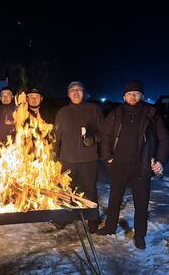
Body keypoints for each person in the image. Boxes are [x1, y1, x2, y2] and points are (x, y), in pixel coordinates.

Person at [97, 79, 169, 250]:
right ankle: (110, 227)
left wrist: (160, 160)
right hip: (119, 164)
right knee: (114, 198)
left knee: (141, 202)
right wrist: (108, 157)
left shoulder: (151, 113)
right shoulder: (116, 113)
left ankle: (140, 235)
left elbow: (164, 138)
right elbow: (105, 136)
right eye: (129, 93)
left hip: (142, 165)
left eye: (136, 93)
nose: (133, 96)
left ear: (142, 96)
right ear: (124, 96)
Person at [54, 81, 104, 233]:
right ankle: (63, 217)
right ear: (68, 94)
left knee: (90, 191)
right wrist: (54, 155)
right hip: (67, 159)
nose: (76, 92)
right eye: (73, 90)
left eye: (79, 90)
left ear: (84, 93)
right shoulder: (62, 112)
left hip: (89, 160)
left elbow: (104, 132)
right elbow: (56, 136)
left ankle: (92, 221)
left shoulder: (94, 109)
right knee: (66, 190)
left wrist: (93, 139)